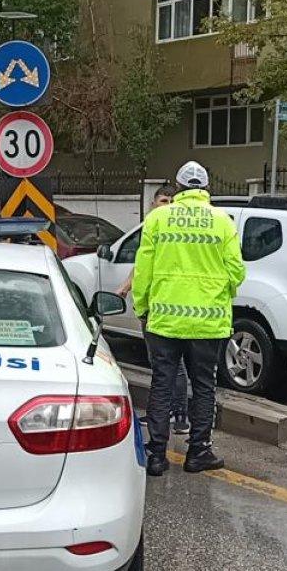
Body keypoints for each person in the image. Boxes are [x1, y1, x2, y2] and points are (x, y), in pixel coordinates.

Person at [132, 161, 245, 476]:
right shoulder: (222, 222)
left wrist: (142, 306)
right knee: (204, 385)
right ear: (206, 189)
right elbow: (237, 270)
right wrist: (221, 293)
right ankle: (198, 453)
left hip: (164, 320)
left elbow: (143, 271)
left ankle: (157, 456)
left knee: (162, 384)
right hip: (208, 322)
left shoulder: (158, 219)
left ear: (178, 189)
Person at [115, 185, 191, 436]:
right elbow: (141, 265)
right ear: (153, 204)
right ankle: (170, 413)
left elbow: (146, 267)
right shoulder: (157, 227)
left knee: (170, 364)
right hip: (159, 306)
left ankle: (177, 413)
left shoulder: (167, 229)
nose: (167, 204)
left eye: (171, 200)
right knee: (162, 363)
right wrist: (126, 287)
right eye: (163, 200)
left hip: (165, 308)